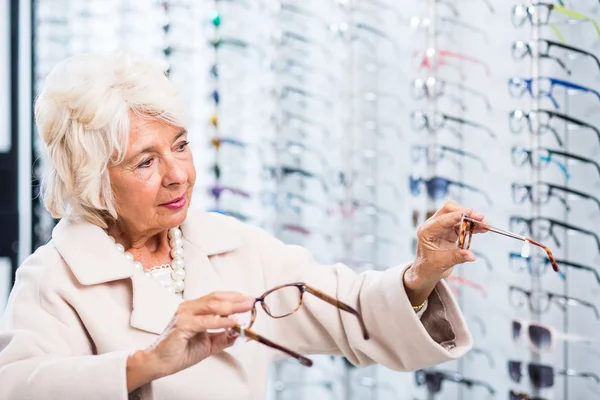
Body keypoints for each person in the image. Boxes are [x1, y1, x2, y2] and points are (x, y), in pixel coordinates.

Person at [0, 52, 485, 400]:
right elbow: (22, 387)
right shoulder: (57, 279)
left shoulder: (232, 246)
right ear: (91, 180)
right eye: (146, 161)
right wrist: (146, 364)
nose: (178, 174)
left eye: (182, 145)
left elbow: (350, 310)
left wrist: (422, 272)